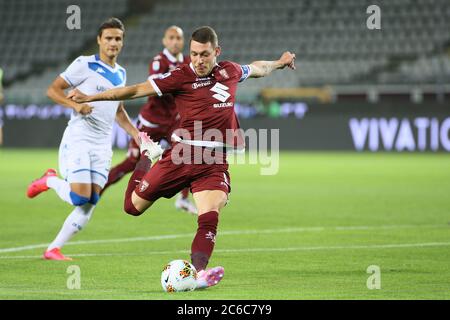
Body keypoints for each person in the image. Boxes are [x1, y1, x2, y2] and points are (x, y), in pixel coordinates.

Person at [69, 26, 296, 289]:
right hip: (180, 156)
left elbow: (258, 68)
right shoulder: (180, 76)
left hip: (214, 161)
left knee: (209, 216)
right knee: (132, 208)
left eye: (205, 55)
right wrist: (91, 96)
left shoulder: (230, 71)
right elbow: (133, 91)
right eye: (194, 54)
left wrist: (280, 63)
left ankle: (199, 274)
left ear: (216, 52)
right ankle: (146, 156)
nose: (198, 60)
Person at [26, 18, 139, 261]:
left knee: (91, 201)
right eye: (108, 38)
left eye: (117, 38)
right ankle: (49, 180)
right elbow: (52, 90)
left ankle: (53, 249)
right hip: (80, 138)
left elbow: (118, 111)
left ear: (122, 42)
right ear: (99, 40)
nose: (113, 43)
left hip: (102, 144)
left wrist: (137, 135)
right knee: (79, 196)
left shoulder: (121, 73)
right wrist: (74, 106)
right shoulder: (84, 64)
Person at [102, 26, 197, 215]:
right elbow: (156, 87)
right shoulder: (158, 61)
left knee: (187, 153)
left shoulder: (188, 62)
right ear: (165, 41)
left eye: (178, 38)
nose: (175, 41)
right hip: (151, 122)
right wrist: (179, 84)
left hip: (173, 121)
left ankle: (183, 199)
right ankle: (98, 189)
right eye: (171, 38)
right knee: (132, 161)